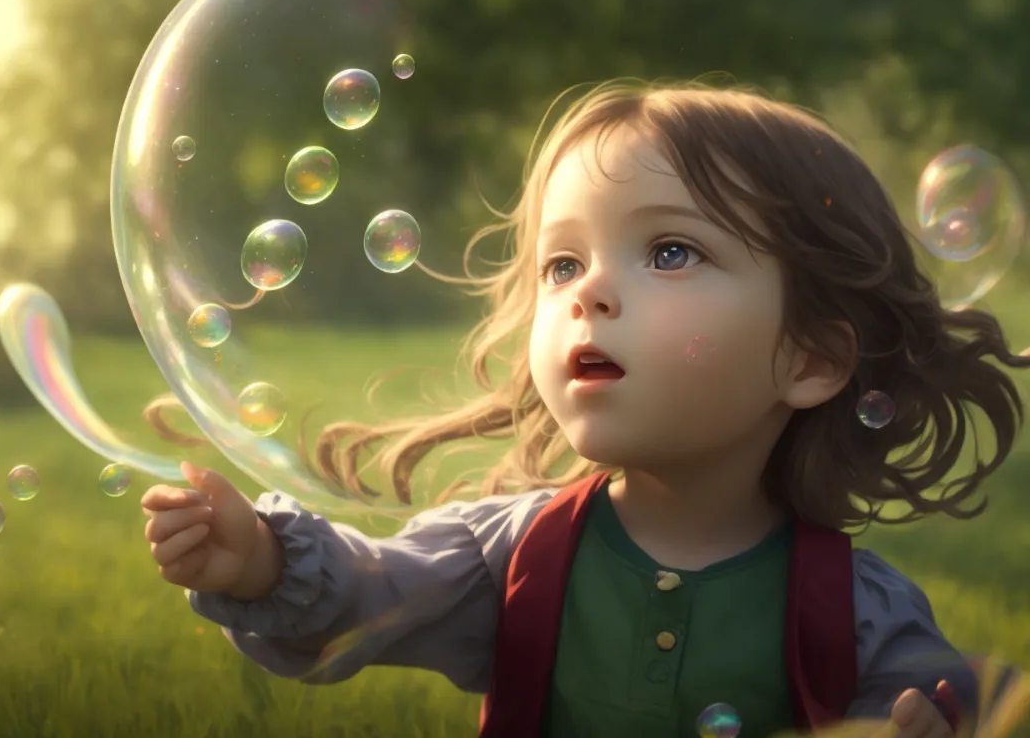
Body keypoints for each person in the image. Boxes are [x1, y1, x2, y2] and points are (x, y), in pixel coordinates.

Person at [140, 81, 1030, 737]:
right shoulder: (513, 555)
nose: (589, 291)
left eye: (672, 251)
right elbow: (368, 591)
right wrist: (259, 561)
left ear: (813, 357)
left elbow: (951, 703)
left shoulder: (860, 608)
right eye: (562, 264)